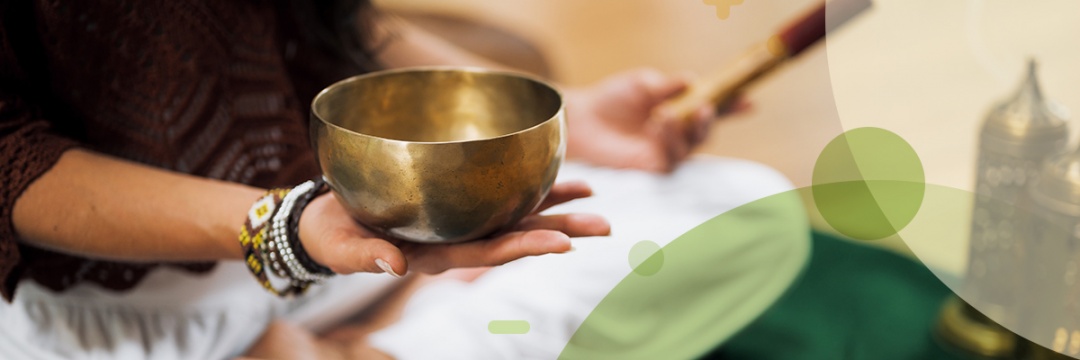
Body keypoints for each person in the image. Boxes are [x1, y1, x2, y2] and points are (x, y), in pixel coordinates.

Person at [0, 0, 808, 358]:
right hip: (119, 312)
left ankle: (372, 350)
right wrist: (288, 231)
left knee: (743, 207)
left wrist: (568, 116)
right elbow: (12, 158)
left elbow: (338, 22)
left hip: (328, 238)